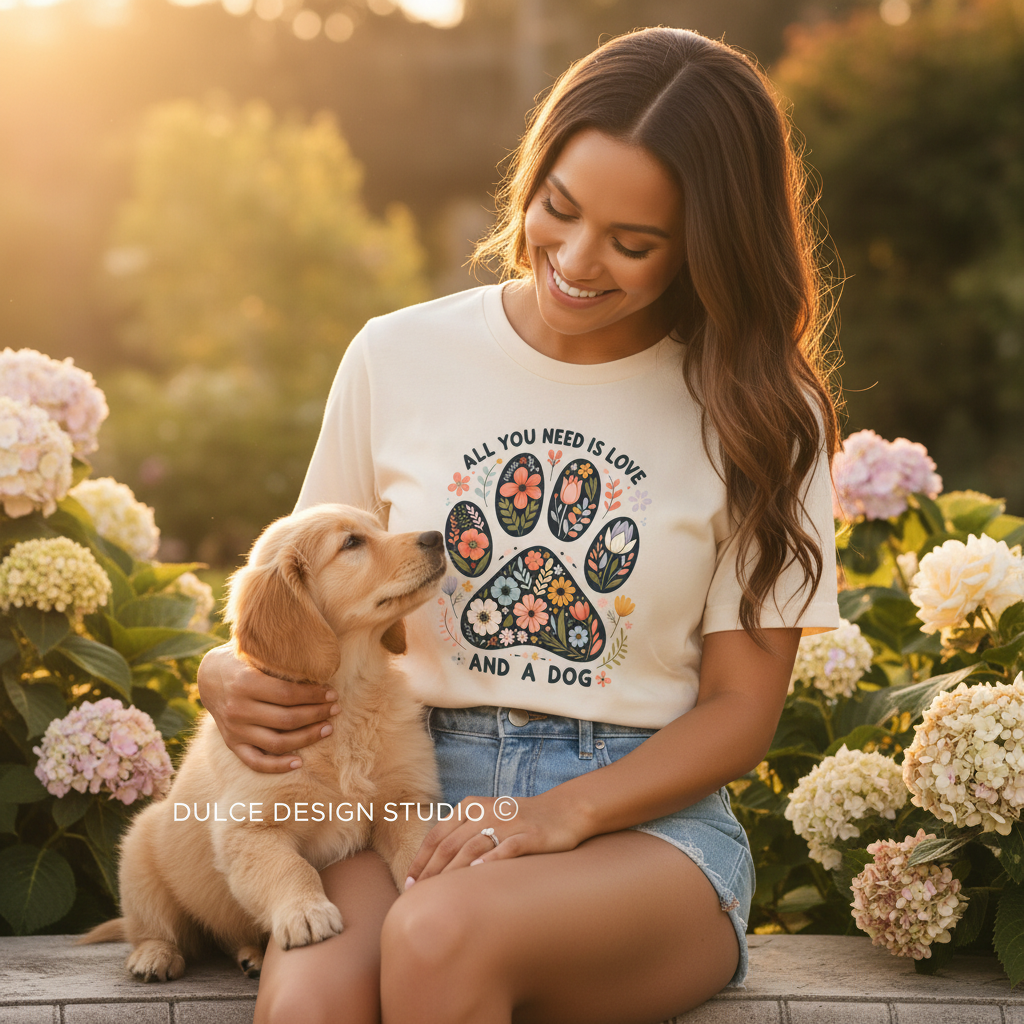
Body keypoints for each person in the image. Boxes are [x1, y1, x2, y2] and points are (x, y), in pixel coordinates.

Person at [197, 26, 841, 1024]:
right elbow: (305, 582)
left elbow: (739, 711)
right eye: (559, 210)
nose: (578, 261)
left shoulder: (762, 410)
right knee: (310, 997)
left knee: (439, 934)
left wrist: (555, 813)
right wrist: (219, 673)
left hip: (639, 818)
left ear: (707, 243)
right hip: (394, 795)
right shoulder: (395, 355)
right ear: (532, 178)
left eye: (633, 244)